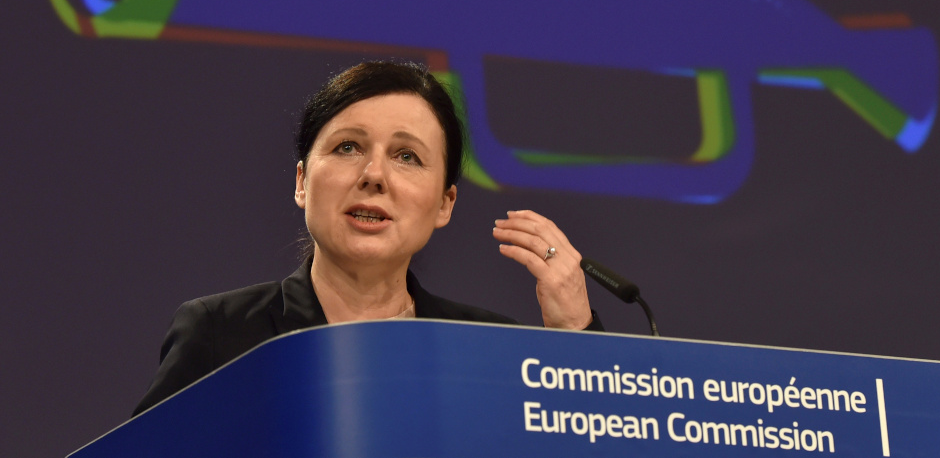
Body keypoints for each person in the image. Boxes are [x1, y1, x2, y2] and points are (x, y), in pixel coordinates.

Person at [133, 60, 599, 415]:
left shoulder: (489, 350)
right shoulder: (222, 334)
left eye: (407, 157)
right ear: (302, 181)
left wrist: (576, 341)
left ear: (444, 204)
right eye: (347, 147)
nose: (374, 174)